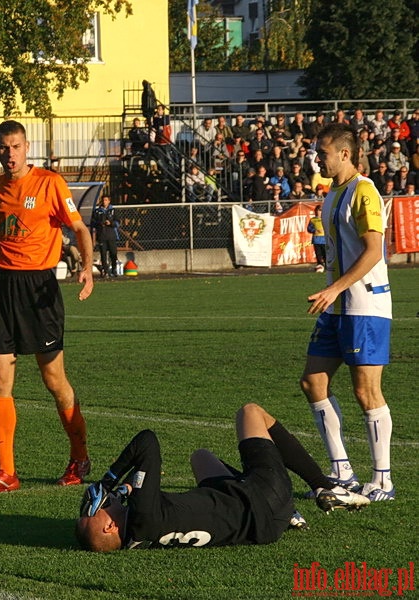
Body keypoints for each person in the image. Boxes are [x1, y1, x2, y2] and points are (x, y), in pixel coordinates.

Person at [0, 119, 95, 493]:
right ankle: (5, 471)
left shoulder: (50, 183)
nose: (9, 154)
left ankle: (79, 455)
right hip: (0, 288)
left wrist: (87, 268)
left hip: (38, 289)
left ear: (27, 147)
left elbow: (81, 229)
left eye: (16, 146)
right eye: (3, 148)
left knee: (53, 380)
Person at [75, 403, 369, 552]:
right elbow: (147, 442)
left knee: (200, 457)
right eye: (100, 509)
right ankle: (324, 486)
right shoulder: (143, 513)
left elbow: (139, 500)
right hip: (265, 498)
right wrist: (107, 481)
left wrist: (127, 489)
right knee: (251, 412)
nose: (105, 502)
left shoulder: (137, 532)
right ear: (110, 526)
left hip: (261, 525)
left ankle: (290, 512)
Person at [301, 123, 395, 502]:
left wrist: (336, 286)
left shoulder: (364, 191)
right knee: (312, 382)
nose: (316, 158)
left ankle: (383, 479)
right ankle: (341, 471)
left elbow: (374, 251)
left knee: (365, 390)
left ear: (344, 154)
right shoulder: (332, 193)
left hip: (364, 304)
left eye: (321, 152)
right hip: (337, 304)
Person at [91, 195, 120, 276]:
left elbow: (118, 223)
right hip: (102, 235)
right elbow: (93, 222)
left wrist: (111, 223)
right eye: (103, 200)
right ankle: (105, 270)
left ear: (109, 201)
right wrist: (99, 223)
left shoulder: (113, 211)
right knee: (103, 254)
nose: (104, 202)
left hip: (111, 235)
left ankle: (114, 269)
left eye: (106, 200)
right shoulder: (97, 211)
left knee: (113, 253)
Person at [307, 205, 326, 272]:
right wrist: (314, 230)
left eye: (320, 210)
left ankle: (327, 266)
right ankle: (320, 265)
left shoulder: (325, 219)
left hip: (325, 240)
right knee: (318, 254)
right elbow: (309, 228)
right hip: (317, 240)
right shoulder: (313, 220)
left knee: (325, 254)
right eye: (318, 210)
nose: (319, 212)